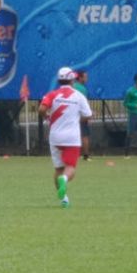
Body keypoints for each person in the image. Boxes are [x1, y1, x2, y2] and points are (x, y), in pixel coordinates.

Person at [39, 67, 92, 208]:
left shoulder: (52, 94)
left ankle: (64, 199)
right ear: (72, 80)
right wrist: (76, 119)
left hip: (55, 136)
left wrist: (47, 118)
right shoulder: (79, 95)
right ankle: (65, 179)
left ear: (59, 80)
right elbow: (88, 115)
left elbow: (41, 109)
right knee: (70, 168)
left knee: (58, 168)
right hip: (72, 137)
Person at [74, 70, 92, 161]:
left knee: (72, 134)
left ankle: (72, 154)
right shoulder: (83, 89)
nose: (86, 79)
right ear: (80, 78)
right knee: (84, 135)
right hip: (81, 115)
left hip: (71, 114)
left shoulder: (71, 86)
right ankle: (86, 156)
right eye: (85, 77)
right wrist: (87, 115)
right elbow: (85, 103)